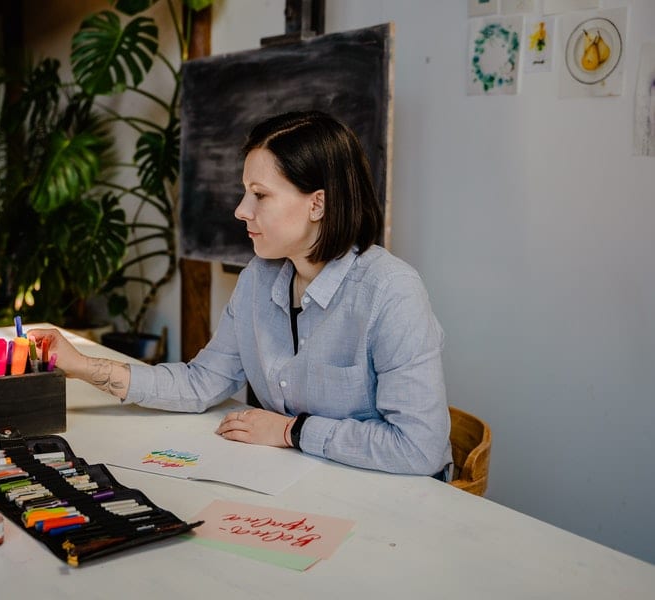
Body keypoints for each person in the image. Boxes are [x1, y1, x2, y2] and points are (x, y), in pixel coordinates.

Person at [29, 111, 451, 478]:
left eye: (260, 195)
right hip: (305, 483)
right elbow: (201, 384)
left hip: (389, 502)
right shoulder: (259, 278)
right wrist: (81, 365)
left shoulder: (390, 292)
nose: (241, 210)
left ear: (317, 204)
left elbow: (418, 447)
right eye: (246, 191)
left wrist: (291, 431)